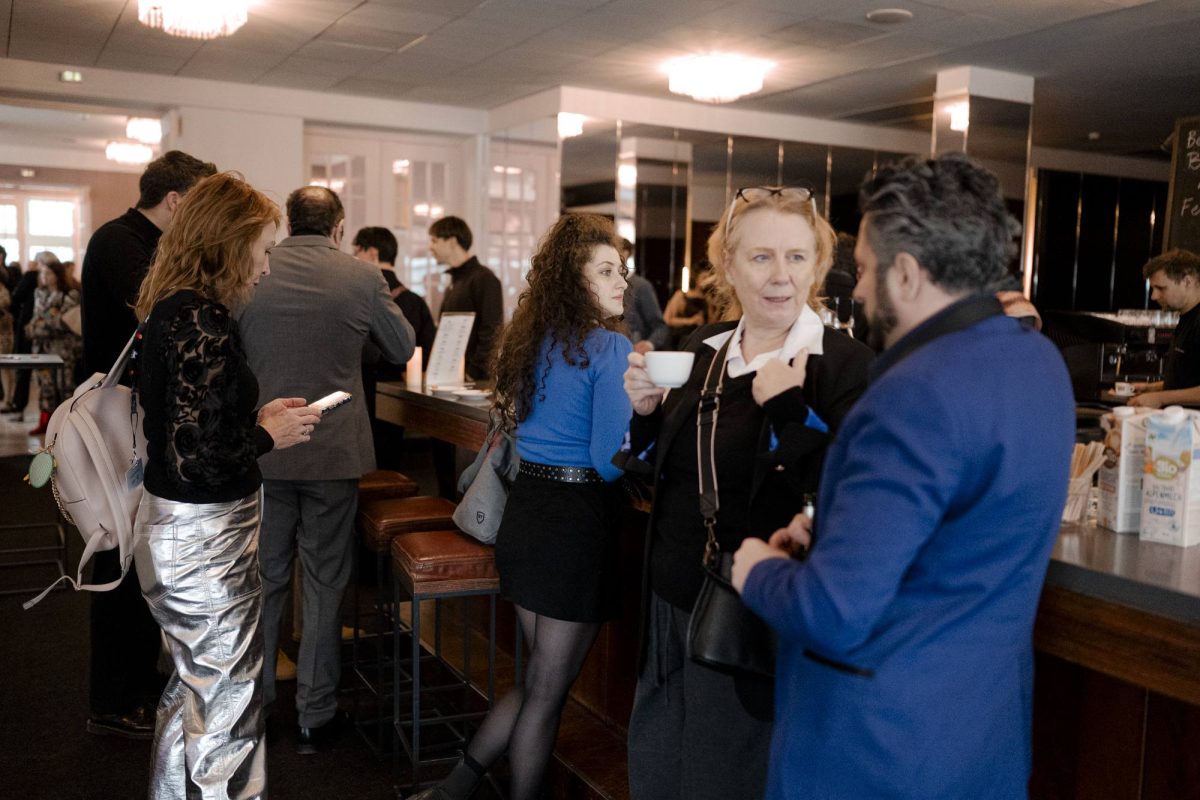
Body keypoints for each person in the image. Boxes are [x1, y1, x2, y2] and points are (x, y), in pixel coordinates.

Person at [731, 153, 1075, 800]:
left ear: (909, 274)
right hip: (981, 731)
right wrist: (838, 530)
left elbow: (833, 612)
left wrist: (758, 571)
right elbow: (957, 536)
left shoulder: (913, 393)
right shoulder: (1038, 362)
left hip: (875, 746)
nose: (858, 290)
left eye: (864, 269)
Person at [621, 186, 874, 800]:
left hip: (752, 613)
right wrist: (646, 414)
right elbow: (661, 471)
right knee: (655, 765)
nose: (780, 275)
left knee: (724, 775)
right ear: (729, 267)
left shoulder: (844, 366)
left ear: (817, 267)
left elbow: (848, 494)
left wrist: (789, 409)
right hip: (669, 596)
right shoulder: (702, 349)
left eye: (796, 257)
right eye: (761, 257)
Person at [409, 214, 632, 800]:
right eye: (606, 271)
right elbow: (610, 461)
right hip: (575, 526)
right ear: (573, 280)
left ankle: (453, 789)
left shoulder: (532, 341)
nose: (621, 282)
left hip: (527, 515)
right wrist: (649, 417)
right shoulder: (610, 347)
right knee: (547, 693)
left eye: (622, 271)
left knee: (536, 681)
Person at [132, 171, 322, 799]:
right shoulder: (200, 318)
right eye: (263, 250)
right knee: (226, 705)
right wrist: (267, 436)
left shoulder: (174, 307)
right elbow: (199, 457)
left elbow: (189, 426)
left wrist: (254, 420)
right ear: (228, 242)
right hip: (204, 537)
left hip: (179, 529)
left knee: (193, 692)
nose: (266, 268)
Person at [238, 186, 415, 755]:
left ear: (289, 223)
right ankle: (315, 714)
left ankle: (255, 708)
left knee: (263, 580)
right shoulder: (361, 276)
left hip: (262, 447)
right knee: (324, 580)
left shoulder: (256, 268)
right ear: (339, 227)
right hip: (332, 450)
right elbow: (402, 346)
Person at [79, 149, 217, 740]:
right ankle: (113, 698)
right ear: (176, 201)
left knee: (144, 556)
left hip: (138, 417)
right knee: (118, 552)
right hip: (115, 422)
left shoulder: (149, 241)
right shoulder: (119, 240)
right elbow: (159, 309)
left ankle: (136, 679)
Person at [429, 215, 502, 381]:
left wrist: (473, 372)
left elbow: (492, 330)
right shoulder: (455, 281)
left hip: (474, 379)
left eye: (434, 241)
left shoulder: (484, 278)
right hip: (453, 375)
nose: (430, 247)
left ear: (452, 241)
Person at [1128, 249, 1200, 408]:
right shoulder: (1186, 317)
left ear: (1187, 282)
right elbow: (1188, 380)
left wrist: (1161, 398)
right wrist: (1151, 388)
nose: (1153, 296)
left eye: (1161, 288)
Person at [353, 225, 437, 358]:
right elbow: (428, 351)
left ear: (372, 253)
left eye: (356, 252)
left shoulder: (357, 296)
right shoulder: (416, 302)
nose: (353, 259)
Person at [25, 251, 82, 435]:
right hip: (41, 348)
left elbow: (61, 323)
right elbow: (35, 321)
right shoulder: (39, 294)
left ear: (58, 274)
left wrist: (39, 326)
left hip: (63, 349)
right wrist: (38, 325)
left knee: (65, 385)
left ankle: (67, 424)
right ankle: (45, 421)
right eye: (42, 273)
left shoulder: (70, 295)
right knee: (44, 385)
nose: (44, 276)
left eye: (48, 273)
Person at [618, 238, 669, 354]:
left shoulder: (641, 286)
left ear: (625, 253)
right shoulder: (602, 284)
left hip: (633, 352)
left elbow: (660, 326)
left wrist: (649, 344)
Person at [662, 260, 711, 348]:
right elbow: (667, 319)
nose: (707, 281)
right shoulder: (681, 295)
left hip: (700, 342)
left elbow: (712, 323)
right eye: (704, 278)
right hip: (679, 341)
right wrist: (691, 321)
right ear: (696, 279)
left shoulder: (709, 299)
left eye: (709, 278)